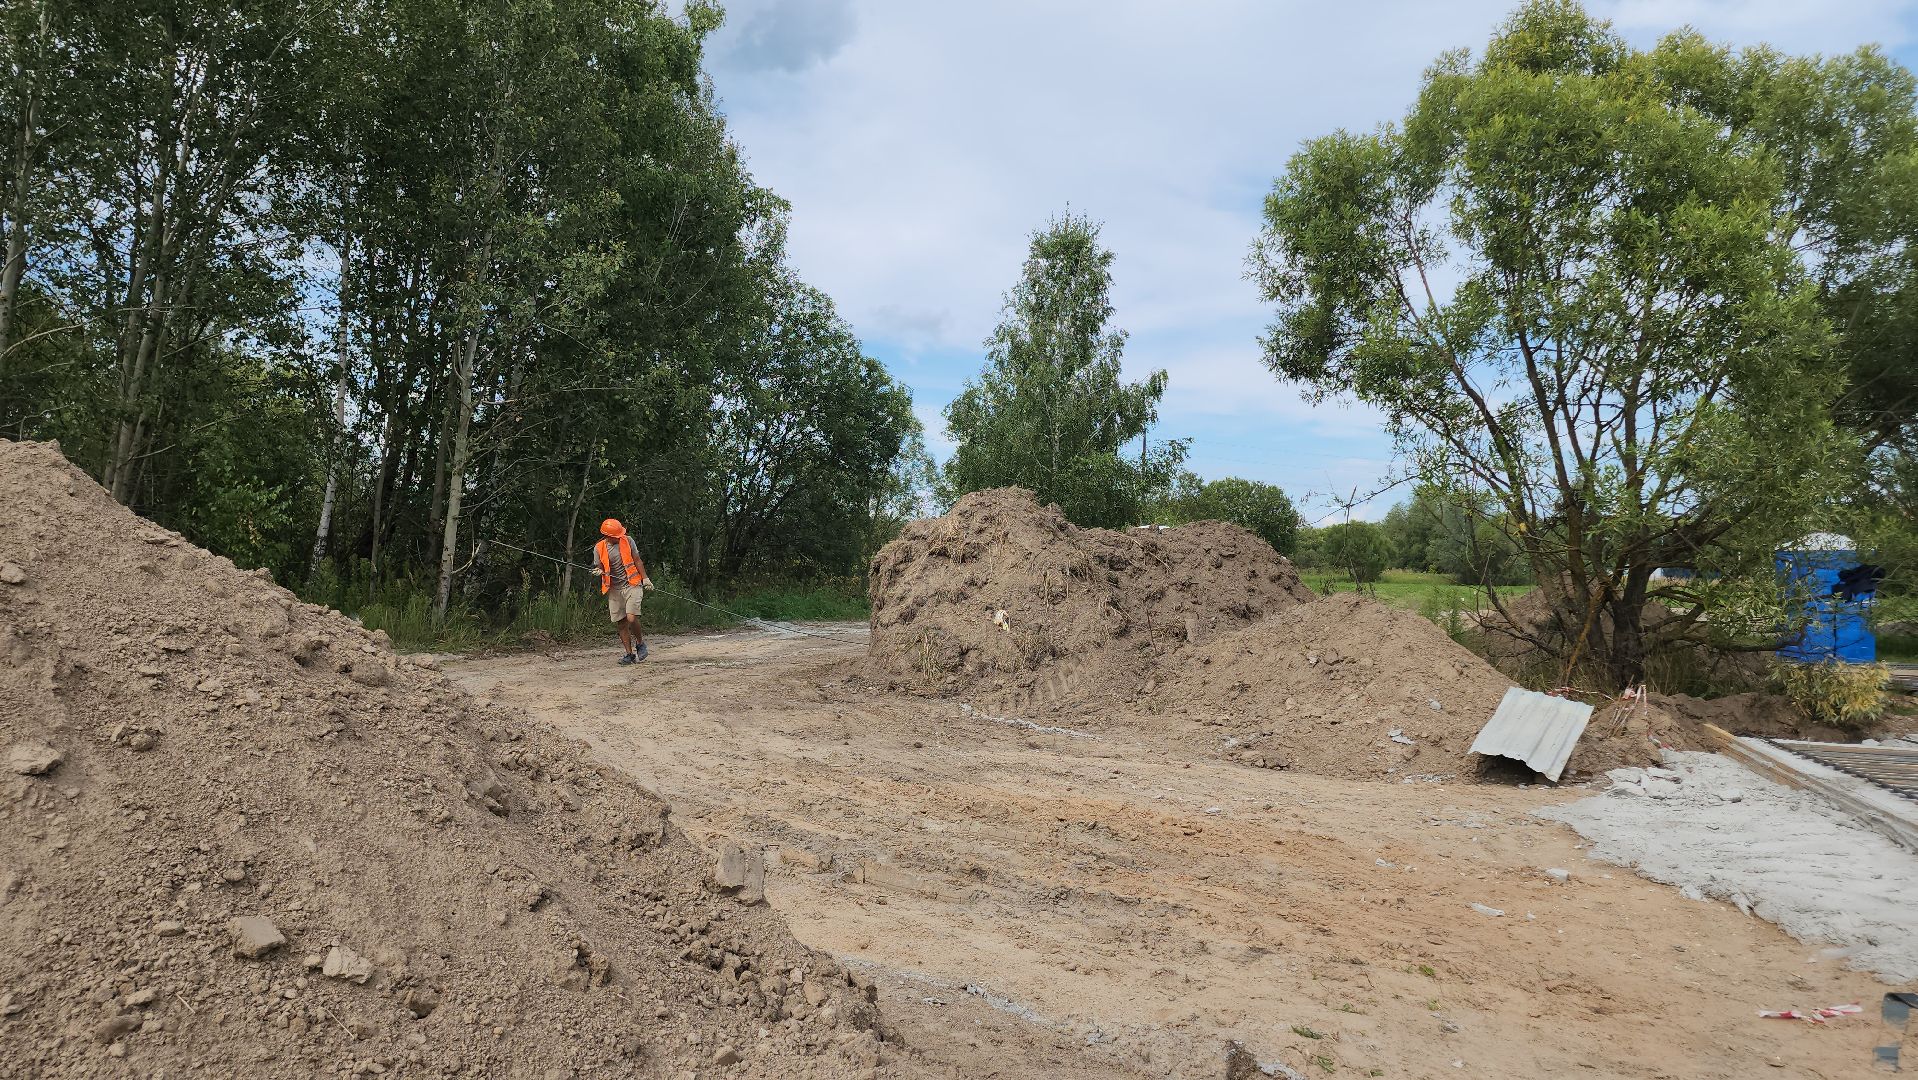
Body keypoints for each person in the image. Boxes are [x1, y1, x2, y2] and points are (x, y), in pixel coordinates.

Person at [592, 518, 653, 664]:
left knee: (631, 618)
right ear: (608, 536)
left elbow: (637, 560)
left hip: (632, 584)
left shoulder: (628, 540)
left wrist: (645, 578)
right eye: (616, 536)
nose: (620, 537)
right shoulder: (599, 548)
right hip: (614, 589)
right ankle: (629, 654)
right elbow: (599, 566)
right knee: (621, 622)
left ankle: (640, 643)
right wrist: (598, 571)